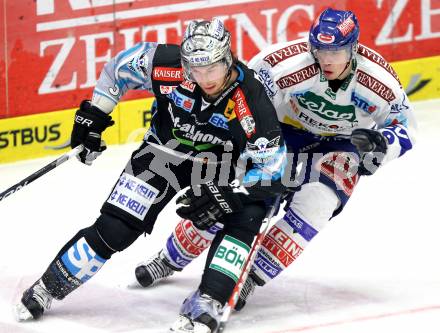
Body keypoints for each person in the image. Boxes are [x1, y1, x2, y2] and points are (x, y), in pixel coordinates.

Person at [14, 18, 287, 333]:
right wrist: (95, 114)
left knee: (247, 213)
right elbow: (118, 68)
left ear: (227, 59)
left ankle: (209, 300)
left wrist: (232, 192)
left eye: (211, 69)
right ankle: (48, 286)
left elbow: (271, 171)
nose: (204, 79)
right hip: (162, 153)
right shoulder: (166, 65)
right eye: (195, 70)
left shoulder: (251, 98)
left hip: (220, 166)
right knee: (116, 228)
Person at [134, 7, 417, 311]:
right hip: (280, 133)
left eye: (336, 51)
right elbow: (245, 100)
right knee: (238, 198)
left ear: (354, 48)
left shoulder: (379, 80)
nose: (326, 59)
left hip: (340, 147)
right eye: (319, 49)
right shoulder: (281, 63)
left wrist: (380, 142)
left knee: (317, 205)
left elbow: (406, 128)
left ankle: (251, 278)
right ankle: (170, 257)